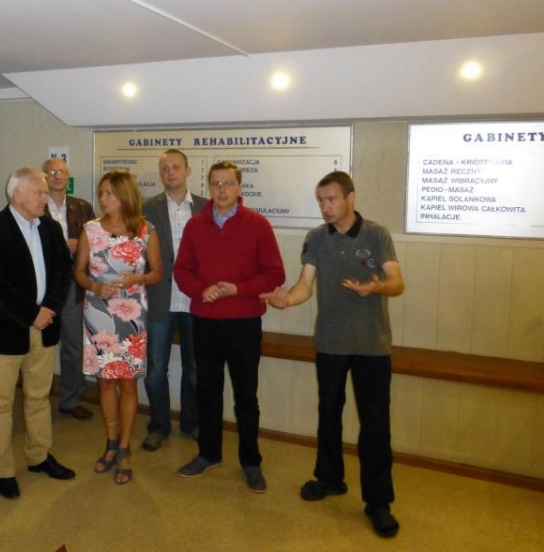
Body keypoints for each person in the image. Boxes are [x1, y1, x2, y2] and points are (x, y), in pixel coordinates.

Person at [260, 170, 405, 537]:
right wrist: (286, 300)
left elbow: (397, 283)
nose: (325, 207)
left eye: (331, 199)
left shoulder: (376, 234)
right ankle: (329, 478)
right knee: (328, 414)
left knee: (375, 425)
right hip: (330, 343)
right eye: (321, 200)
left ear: (350, 198)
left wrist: (377, 288)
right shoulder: (316, 238)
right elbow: (304, 286)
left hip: (372, 345)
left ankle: (378, 502)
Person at [173, 160, 285, 493]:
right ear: (209, 187)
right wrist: (200, 290)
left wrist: (238, 289)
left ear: (239, 187)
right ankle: (208, 453)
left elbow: (274, 274)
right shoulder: (195, 225)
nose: (222, 190)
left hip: (244, 323)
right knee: (207, 391)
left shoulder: (258, 224)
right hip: (205, 322)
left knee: (245, 395)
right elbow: (182, 270)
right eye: (216, 184)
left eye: (228, 183)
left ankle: (251, 461)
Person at [0, 167, 76, 500]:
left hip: (44, 328)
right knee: (1, 403)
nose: (46, 198)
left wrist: (50, 309)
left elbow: (63, 272)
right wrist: (32, 313)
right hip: (6, 330)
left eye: (45, 193)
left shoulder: (50, 227)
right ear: (17, 194)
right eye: (40, 193)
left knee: (38, 397)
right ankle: (3, 470)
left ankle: (38, 456)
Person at [74, 169, 162, 485]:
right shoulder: (91, 229)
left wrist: (139, 278)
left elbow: (157, 273)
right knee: (104, 383)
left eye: (109, 193)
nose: (103, 198)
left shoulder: (145, 230)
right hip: (98, 313)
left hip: (132, 316)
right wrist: (95, 287)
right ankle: (111, 443)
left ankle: (124, 447)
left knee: (127, 385)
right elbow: (79, 273)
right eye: (102, 193)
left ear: (124, 195)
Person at [141, 149, 205, 451]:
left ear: (188, 170)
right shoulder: (146, 209)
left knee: (195, 370)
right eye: (164, 168)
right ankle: (159, 426)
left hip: (196, 302)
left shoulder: (205, 208)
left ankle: (192, 423)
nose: (170, 172)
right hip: (159, 301)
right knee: (155, 371)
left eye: (175, 167)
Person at [42, 157, 96, 421]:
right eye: (51, 172)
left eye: (62, 171)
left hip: (73, 285)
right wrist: (60, 246)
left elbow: (97, 242)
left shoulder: (81, 207)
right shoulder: (34, 203)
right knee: (40, 348)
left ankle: (70, 399)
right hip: (42, 286)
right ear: (43, 176)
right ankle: (37, 400)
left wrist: (81, 244)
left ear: (68, 176)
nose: (57, 175)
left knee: (74, 346)